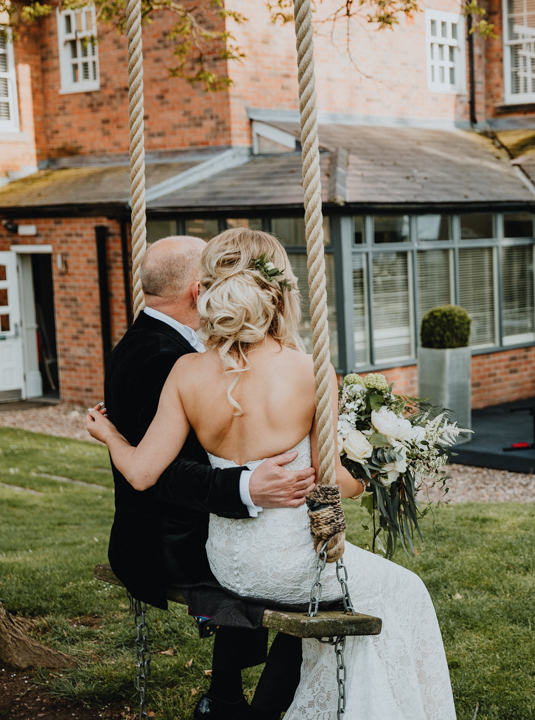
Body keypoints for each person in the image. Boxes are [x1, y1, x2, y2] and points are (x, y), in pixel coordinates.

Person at [88, 228, 456, 720]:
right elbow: (332, 482)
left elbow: (140, 473)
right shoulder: (309, 370)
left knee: (362, 599)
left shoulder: (186, 373)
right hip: (294, 566)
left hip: (227, 561)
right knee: (405, 589)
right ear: (278, 291)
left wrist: (110, 435)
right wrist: (375, 473)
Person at [104, 236, 317, 719]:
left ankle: (223, 698)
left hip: (179, 528)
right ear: (200, 291)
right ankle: (227, 701)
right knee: (270, 559)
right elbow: (167, 475)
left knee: (257, 546)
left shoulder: (159, 344)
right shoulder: (164, 356)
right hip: (167, 541)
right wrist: (246, 487)